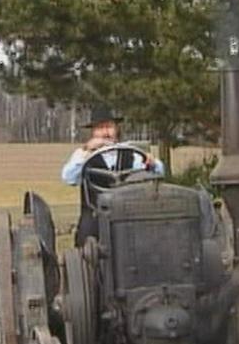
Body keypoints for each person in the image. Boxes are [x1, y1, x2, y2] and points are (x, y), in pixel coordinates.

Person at [61, 104, 165, 246]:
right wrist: (87, 151)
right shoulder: (83, 154)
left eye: (109, 127)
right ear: (93, 132)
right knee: (86, 235)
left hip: (128, 211)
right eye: (100, 128)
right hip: (95, 214)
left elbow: (159, 171)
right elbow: (68, 177)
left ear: (117, 129)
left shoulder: (130, 152)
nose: (105, 133)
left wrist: (151, 163)